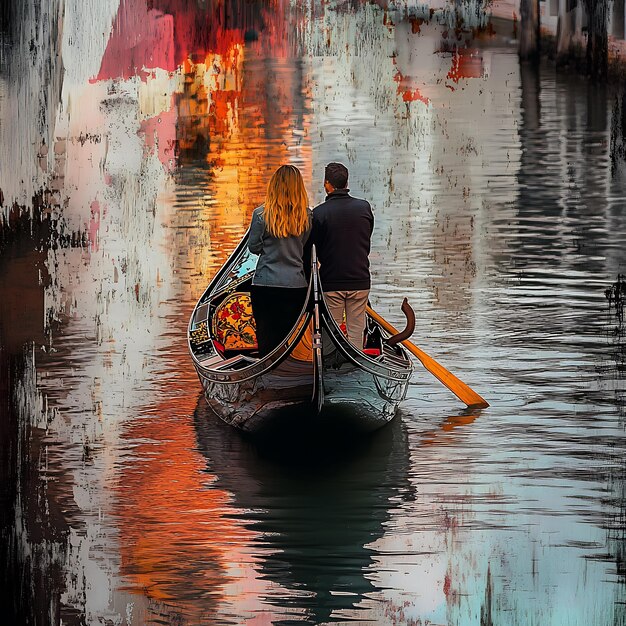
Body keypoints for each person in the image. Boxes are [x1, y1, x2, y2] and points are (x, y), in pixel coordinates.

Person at [248, 164, 312, 356]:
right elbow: (303, 245)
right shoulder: (307, 216)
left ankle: (267, 375)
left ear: (274, 185)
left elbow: (254, 247)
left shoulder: (261, 214)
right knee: (289, 337)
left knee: (267, 337)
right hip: (295, 285)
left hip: (266, 284)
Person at [310, 162, 374, 348]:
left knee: (333, 332)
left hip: (332, 282)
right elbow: (365, 237)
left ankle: (333, 363)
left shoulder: (319, 213)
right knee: (356, 331)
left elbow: (313, 247)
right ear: (346, 183)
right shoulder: (364, 208)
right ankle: (355, 361)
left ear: (327, 184)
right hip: (360, 280)